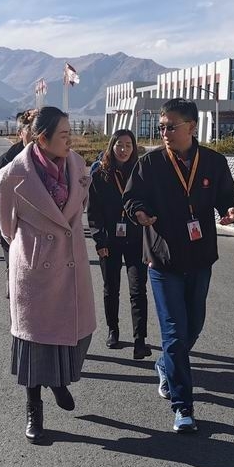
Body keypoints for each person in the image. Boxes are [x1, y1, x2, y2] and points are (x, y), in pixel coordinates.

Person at [123, 98, 234, 434]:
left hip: (200, 258)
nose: (164, 132)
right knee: (174, 333)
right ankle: (183, 406)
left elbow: (227, 197)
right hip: (163, 259)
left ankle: (166, 365)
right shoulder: (150, 163)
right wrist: (139, 212)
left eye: (170, 126)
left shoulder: (214, 162)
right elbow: (131, 198)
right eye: (161, 126)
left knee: (193, 326)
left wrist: (230, 210)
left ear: (191, 127)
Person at [0, 106, 95, 444]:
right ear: (42, 138)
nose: (70, 140)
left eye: (70, 133)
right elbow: (6, 226)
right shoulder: (13, 174)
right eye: (63, 135)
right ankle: (33, 409)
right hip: (36, 270)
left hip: (70, 262)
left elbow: (80, 207)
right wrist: (32, 247)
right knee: (33, 345)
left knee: (77, 333)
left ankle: (58, 381)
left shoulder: (77, 164)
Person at [88, 129, 150, 359]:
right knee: (111, 288)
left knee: (138, 289)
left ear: (134, 148)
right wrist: (99, 240)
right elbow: (93, 212)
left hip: (136, 239)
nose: (123, 149)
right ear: (111, 146)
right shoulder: (100, 174)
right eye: (119, 145)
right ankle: (112, 330)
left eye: (128, 145)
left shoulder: (141, 173)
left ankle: (140, 340)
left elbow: (149, 202)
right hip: (109, 241)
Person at [0, 109, 37, 254]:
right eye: (31, 131)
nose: (35, 136)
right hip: (14, 230)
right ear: (20, 133)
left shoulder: (52, 161)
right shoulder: (8, 160)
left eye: (39, 131)